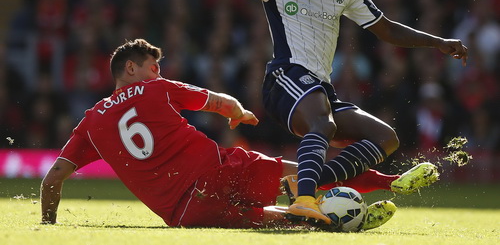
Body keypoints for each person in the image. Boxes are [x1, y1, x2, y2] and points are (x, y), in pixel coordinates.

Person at [110, 0, 465, 225]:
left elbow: (386, 29)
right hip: (284, 79)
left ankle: (306, 185)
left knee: (386, 137)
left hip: (320, 91)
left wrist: (439, 42)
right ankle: (306, 199)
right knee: (322, 125)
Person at [41, 38, 400, 230]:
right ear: (131, 68)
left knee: (283, 220)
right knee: (302, 174)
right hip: (219, 171)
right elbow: (220, 102)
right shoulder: (158, 88)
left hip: (186, 213)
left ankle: (337, 219)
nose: (157, 72)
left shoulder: (90, 121)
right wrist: (239, 113)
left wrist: (48, 223)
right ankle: (385, 182)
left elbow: (53, 178)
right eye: (153, 67)